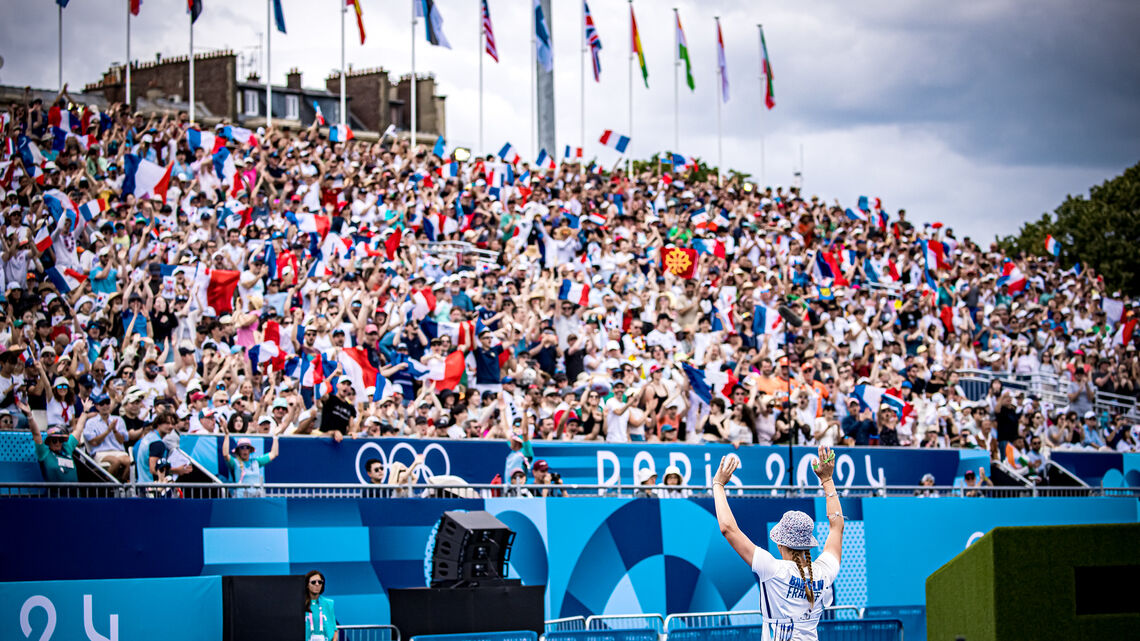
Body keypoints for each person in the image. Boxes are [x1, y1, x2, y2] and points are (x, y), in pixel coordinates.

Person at [713, 446, 843, 640]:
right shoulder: (823, 572)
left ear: (780, 543)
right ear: (808, 544)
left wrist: (718, 484)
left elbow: (727, 529)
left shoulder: (773, 570)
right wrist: (827, 480)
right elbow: (837, 527)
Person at [23, 398, 83, 482]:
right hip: (55, 494)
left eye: (61, 440)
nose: (58, 443)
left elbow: (78, 430)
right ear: (49, 442)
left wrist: (85, 412)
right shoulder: (44, 453)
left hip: (74, 494)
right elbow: (36, 434)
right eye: (54, 440)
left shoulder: (66, 448)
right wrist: (30, 416)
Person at [222, 427, 280, 498]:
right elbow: (225, 454)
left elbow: (274, 454)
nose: (245, 450)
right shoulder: (235, 462)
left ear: (250, 450)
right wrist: (227, 435)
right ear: (238, 450)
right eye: (242, 447)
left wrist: (275, 436)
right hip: (241, 498)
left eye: (247, 447)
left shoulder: (256, 462)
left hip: (257, 498)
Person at [303, 569, 337, 641]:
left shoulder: (328, 603)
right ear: (307, 585)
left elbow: (334, 629)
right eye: (313, 582)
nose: (317, 584)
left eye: (320, 582)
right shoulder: (300, 603)